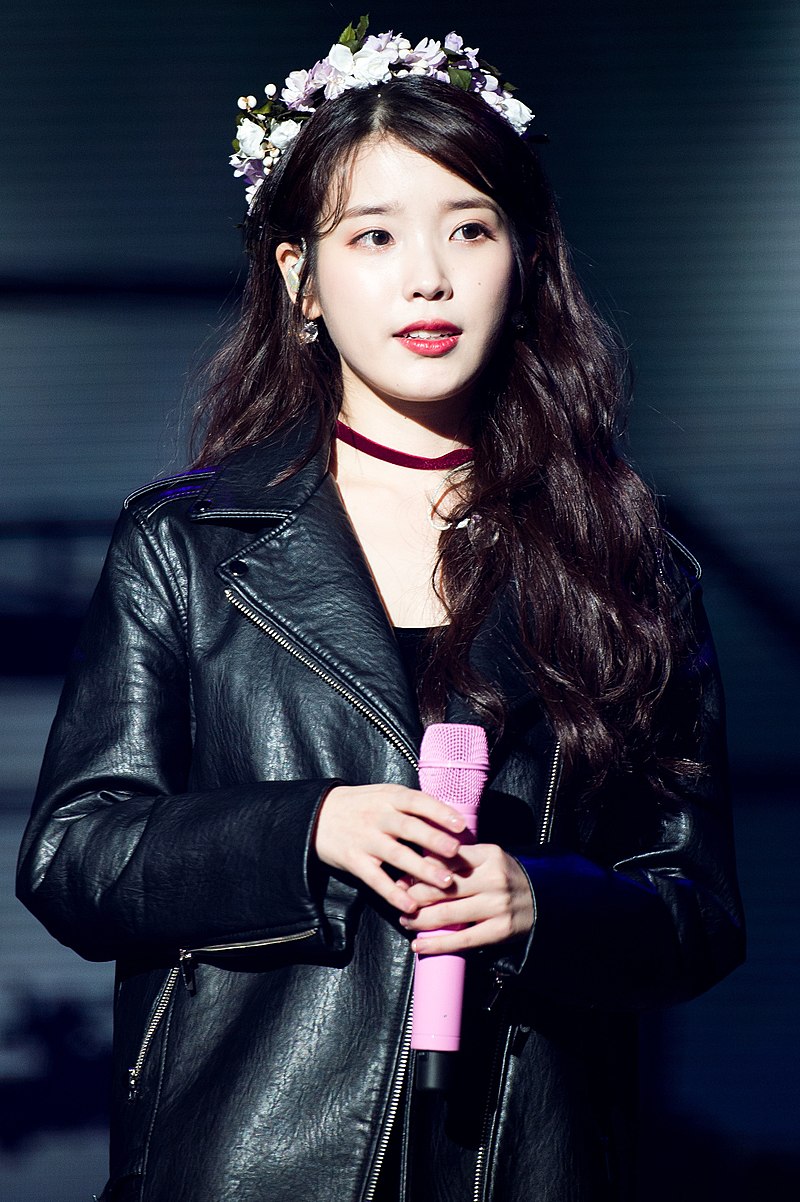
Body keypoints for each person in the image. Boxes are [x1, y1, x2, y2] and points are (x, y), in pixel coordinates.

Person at [17, 19, 744, 1202]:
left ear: (524, 261)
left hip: (523, 1155)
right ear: (299, 277)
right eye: (373, 234)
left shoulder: (626, 561)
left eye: (469, 228)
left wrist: (540, 900)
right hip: (252, 1157)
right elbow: (73, 852)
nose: (428, 276)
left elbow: (696, 909)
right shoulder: (187, 544)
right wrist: (308, 827)